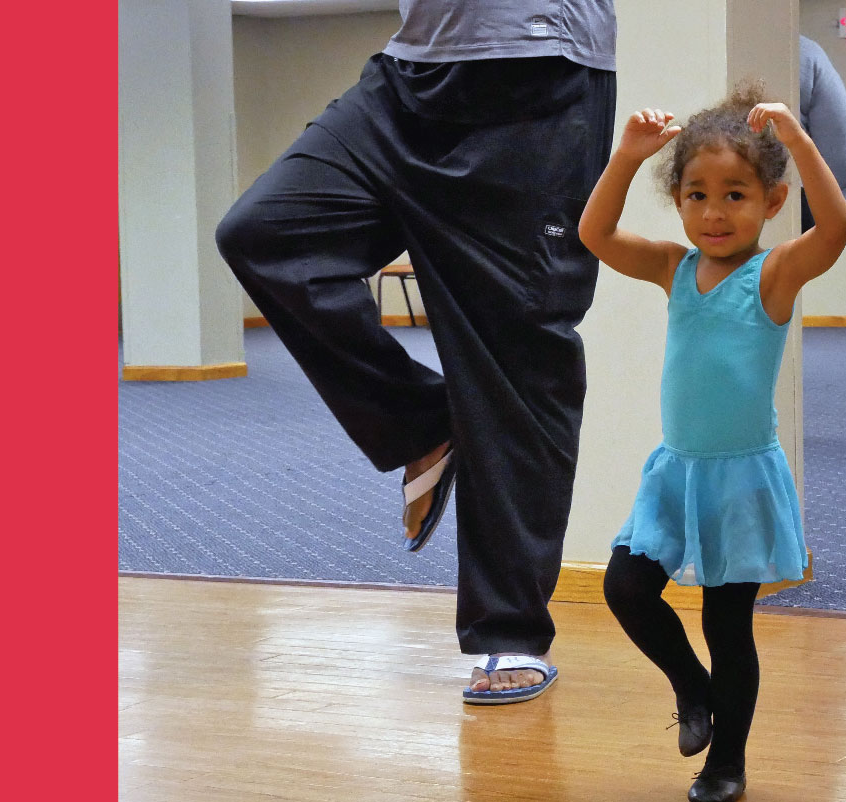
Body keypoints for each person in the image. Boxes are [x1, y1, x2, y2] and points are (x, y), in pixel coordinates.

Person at [214, 1, 615, 705]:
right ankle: (422, 420)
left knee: (517, 364)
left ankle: (509, 629)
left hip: (538, 83)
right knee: (265, 232)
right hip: (409, 77)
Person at [574, 83, 846, 802]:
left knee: (728, 625)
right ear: (679, 204)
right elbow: (596, 236)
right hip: (676, 473)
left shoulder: (775, 274)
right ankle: (689, 684)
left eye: (735, 194)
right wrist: (627, 158)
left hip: (741, 480)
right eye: (697, 195)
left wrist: (801, 141)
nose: (715, 212)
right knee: (625, 586)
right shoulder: (675, 269)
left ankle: (725, 761)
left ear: (772, 199)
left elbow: (837, 231)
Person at [795, 35, 846, 232]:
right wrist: (841, 206)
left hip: (718, 197)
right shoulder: (805, 52)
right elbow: (837, 139)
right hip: (801, 200)